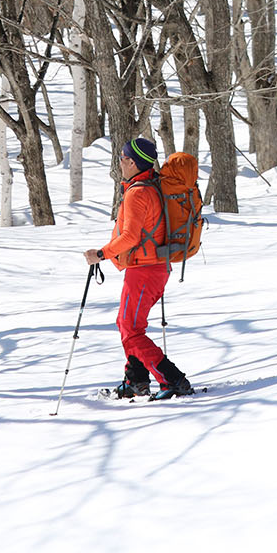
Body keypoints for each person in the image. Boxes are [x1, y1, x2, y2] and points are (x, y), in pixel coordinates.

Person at [84, 137, 195, 399]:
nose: (120, 164)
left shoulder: (138, 193)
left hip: (145, 270)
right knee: (128, 325)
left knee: (131, 329)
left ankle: (172, 379)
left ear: (132, 162)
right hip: (152, 267)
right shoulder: (150, 185)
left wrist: (100, 254)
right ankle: (136, 380)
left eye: (122, 160)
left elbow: (130, 238)